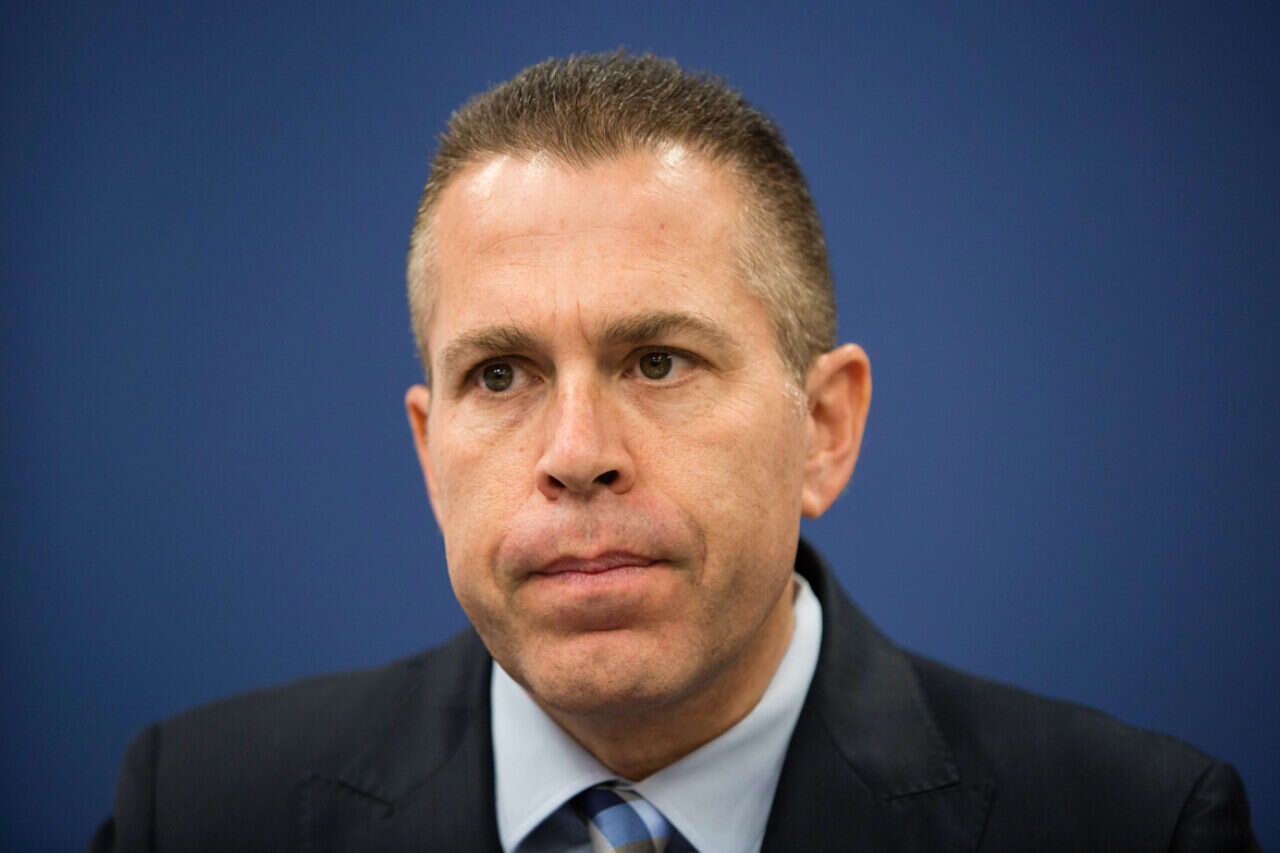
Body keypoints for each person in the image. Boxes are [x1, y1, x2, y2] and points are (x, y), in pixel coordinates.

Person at [90, 52, 1257, 852]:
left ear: (825, 428)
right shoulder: (194, 810)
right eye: (499, 374)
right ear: (429, 450)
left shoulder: (1134, 824)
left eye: (656, 361)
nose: (576, 453)